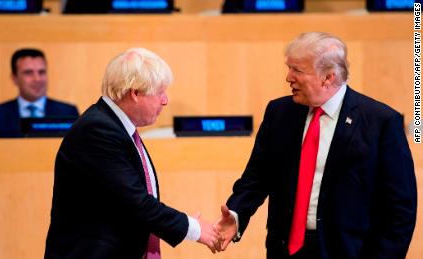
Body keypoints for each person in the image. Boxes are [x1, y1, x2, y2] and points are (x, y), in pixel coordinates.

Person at [215, 32, 417, 259]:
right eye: (289, 68)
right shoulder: (279, 112)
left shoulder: (380, 122)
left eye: (297, 70)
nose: (288, 78)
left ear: (328, 77)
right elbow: (257, 177)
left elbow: (400, 209)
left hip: (349, 251)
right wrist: (236, 214)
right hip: (285, 250)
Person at [44, 48, 221, 259]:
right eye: (159, 92)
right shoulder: (98, 130)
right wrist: (195, 229)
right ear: (135, 93)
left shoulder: (114, 126)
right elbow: (137, 203)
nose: (165, 101)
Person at [0, 48, 79, 138]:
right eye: (28, 73)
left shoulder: (68, 112)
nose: (37, 79)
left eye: (41, 72)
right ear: (14, 78)